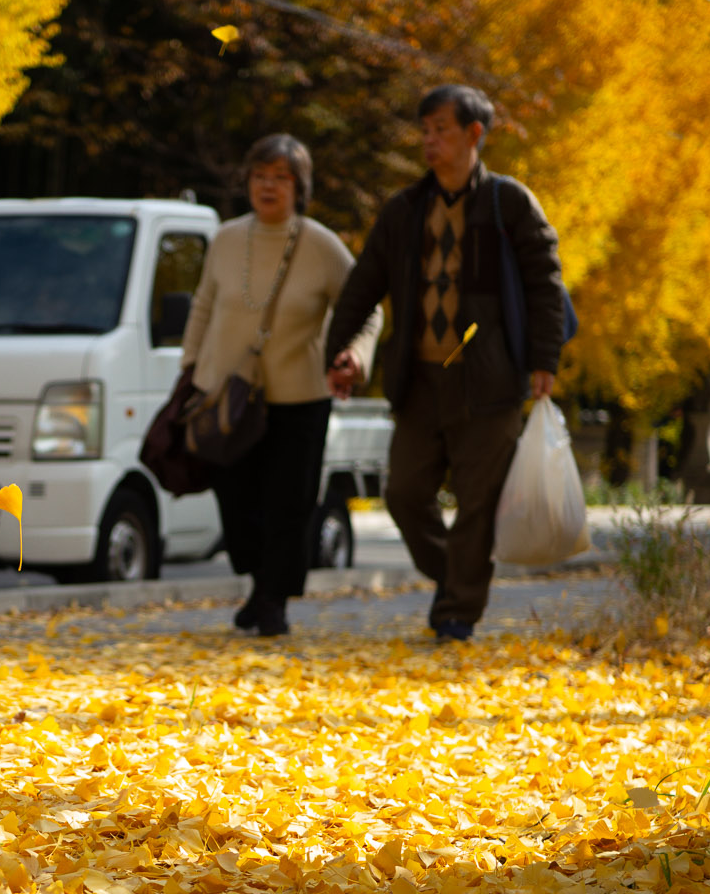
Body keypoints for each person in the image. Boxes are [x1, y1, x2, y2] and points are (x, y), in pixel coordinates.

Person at [324, 84, 565, 642]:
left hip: (491, 381)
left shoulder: (510, 204)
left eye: (441, 130)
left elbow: (545, 285)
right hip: (419, 381)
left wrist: (543, 360)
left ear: (474, 134)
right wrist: (340, 351)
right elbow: (364, 285)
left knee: (478, 503)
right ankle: (453, 575)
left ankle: (456, 612)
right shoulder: (405, 211)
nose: (429, 141)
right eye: (425, 131)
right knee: (404, 494)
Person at [180, 134, 380, 637]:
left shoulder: (320, 243)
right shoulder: (225, 238)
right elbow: (203, 304)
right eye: (260, 176)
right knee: (236, 502)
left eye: (281, 177)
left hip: (300, 399)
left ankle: (274, 602)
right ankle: (258, 584)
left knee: (289, 506)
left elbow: (367, 309)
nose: (268, 186)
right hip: (225, 395)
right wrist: (188, 368)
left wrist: (354, 356)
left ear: (300, 187)